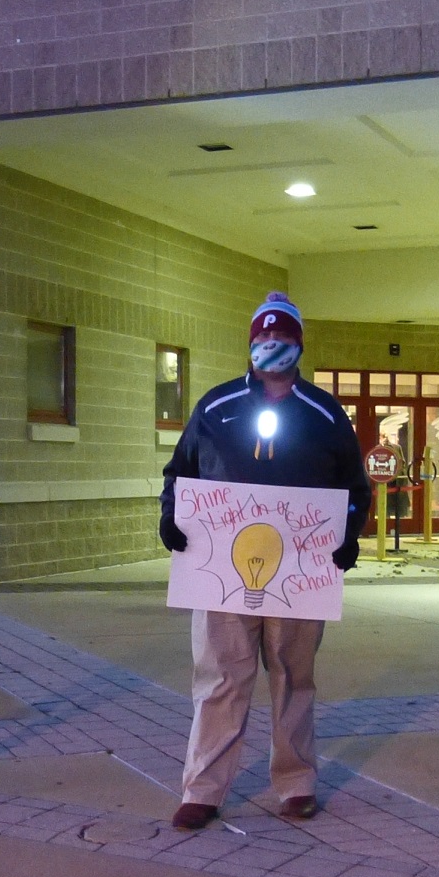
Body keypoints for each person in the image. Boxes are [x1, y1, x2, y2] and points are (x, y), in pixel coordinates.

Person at [158, 292, 371, 831]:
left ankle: (296, 781)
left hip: (299, 573)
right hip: (221, 571)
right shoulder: (216, 406)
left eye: (281, 339)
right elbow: (180, 471)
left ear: (298, 346)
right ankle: (202, 788)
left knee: (293, 675)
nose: (270, 346)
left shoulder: (324, 415)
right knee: (220, 676)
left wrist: (348, 535)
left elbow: (353, 485)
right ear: (250, 343)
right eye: (261, 338)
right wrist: (171, 516)